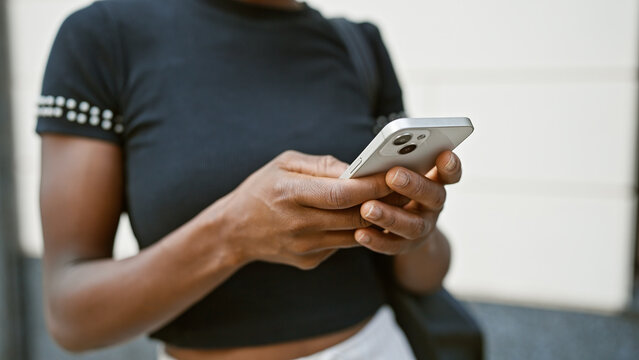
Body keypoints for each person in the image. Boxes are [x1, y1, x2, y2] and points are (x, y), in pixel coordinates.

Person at [36, 0, 462, 359]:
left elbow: (427, 275)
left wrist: (415, 232)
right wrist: (232, 235)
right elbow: (70, 317)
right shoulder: (102, 38)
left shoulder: (357, 46)